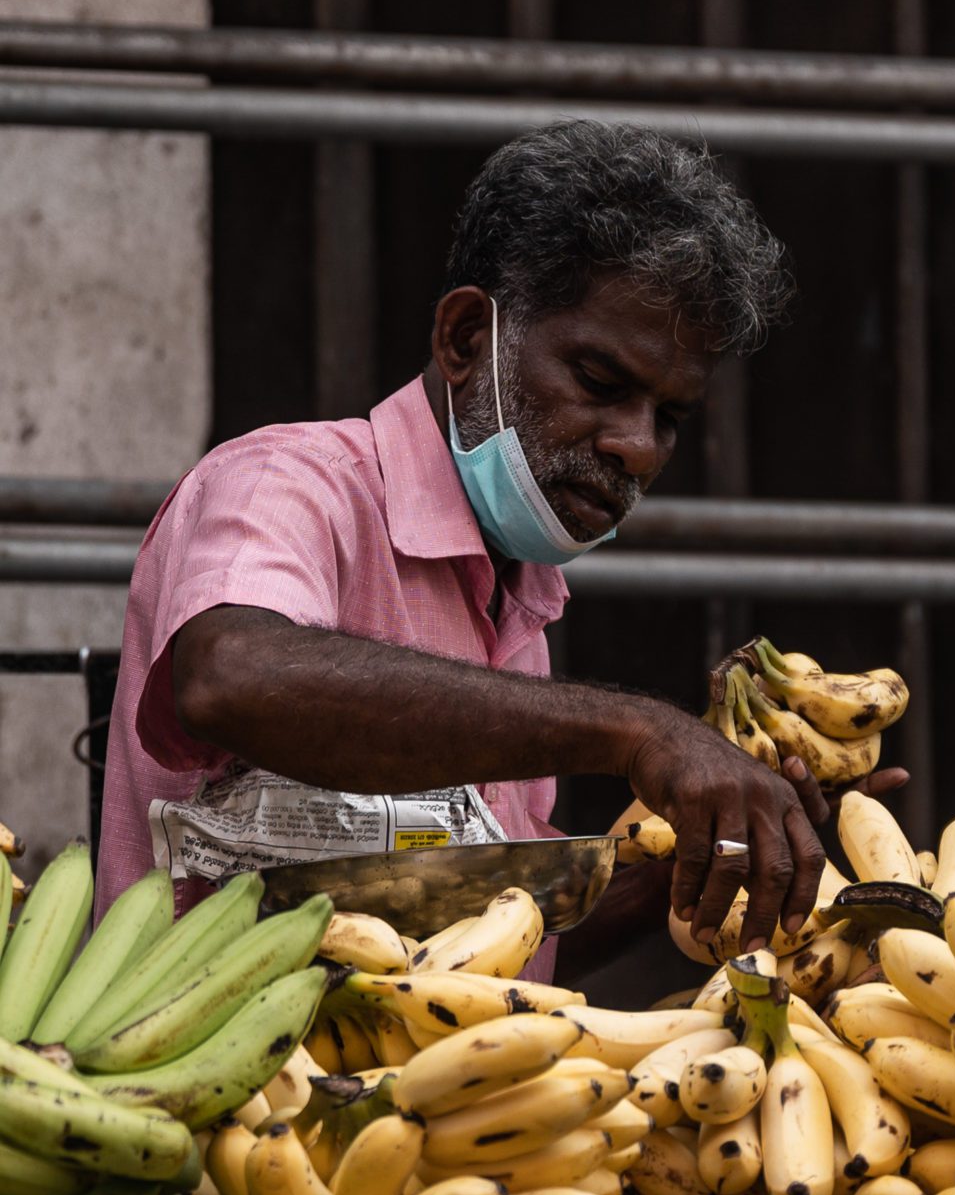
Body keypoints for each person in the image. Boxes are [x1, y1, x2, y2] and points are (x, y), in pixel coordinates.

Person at [97, 120, 899, 975]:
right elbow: (230, 677)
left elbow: (502, 943)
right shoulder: (287, 486)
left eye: (668, 417)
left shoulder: (519, 601)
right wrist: (637, 732)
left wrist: (701, 858)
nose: (636, 446)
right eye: (599, 382)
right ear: (465, 340)